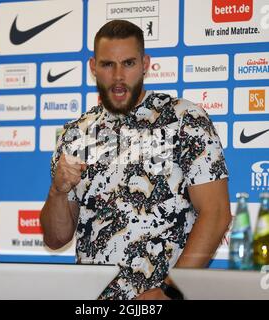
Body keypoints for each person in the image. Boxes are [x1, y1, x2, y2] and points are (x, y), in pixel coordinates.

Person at [40, 19, 232, 300]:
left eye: (128, 63)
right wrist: (58, 190)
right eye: (108, 65)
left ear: (145, 64)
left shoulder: (184, 120)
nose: (118, 76)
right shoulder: (74, 135)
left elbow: (216, 213)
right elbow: (56, 238)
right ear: (93, 67)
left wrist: (169, 290)